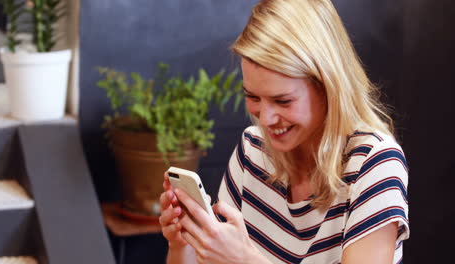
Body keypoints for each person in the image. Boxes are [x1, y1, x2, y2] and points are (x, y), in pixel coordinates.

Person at [159, 0, 409, 263]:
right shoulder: (251, 151)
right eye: (253, 97)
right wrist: (182, 244)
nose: (265, 119)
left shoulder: (374, 163)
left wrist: (245, 259)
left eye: (283, 101)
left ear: (328, 87)